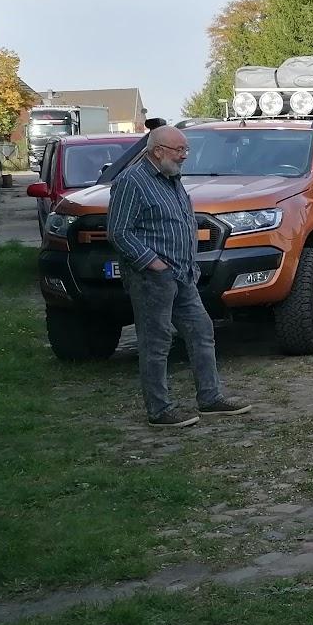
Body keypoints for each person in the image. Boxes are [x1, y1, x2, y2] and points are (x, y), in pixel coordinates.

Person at [107, 125, 251, 427]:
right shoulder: (132, 181)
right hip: (151, 278)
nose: (185, 156)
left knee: (201, 330)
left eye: (186, 150)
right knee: (156, 342)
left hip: (182, 274)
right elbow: (119, 232)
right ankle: (159, 411)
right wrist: (153, 264)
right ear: (157, 151)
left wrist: (190, 265)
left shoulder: (171, 177)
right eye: (179, 150)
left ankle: (210, 399)